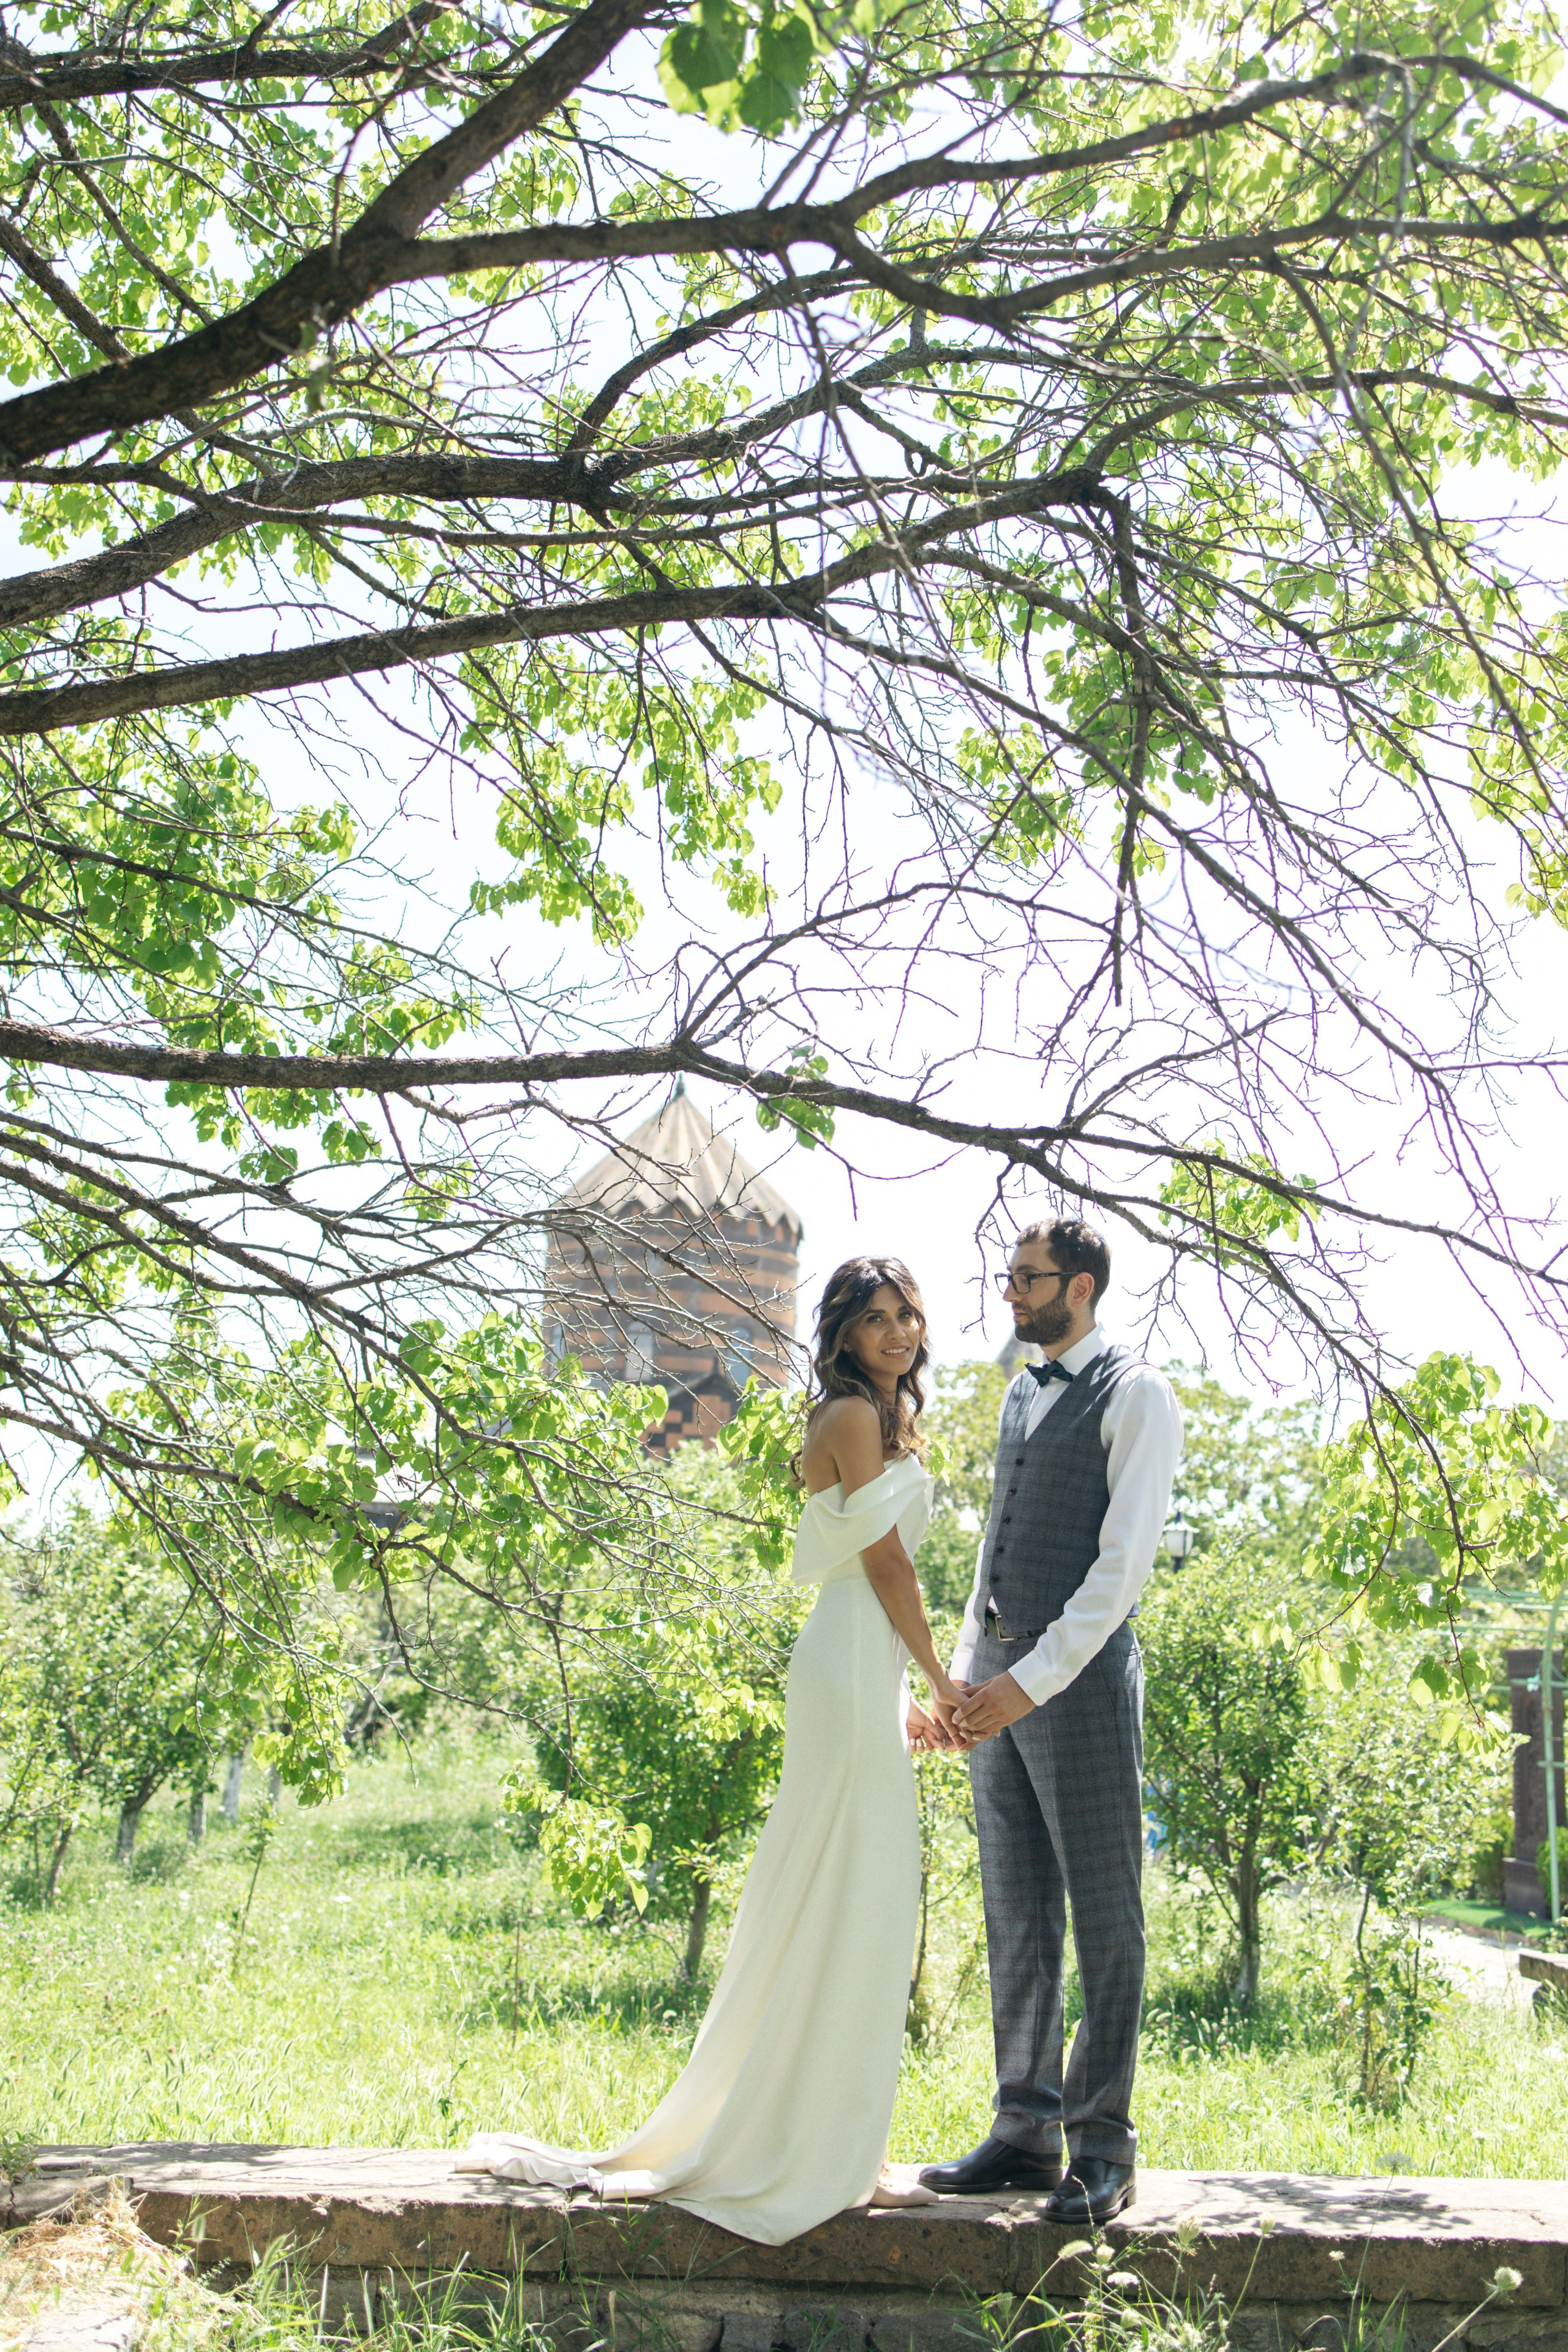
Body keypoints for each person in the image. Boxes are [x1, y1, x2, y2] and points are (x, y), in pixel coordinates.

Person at [459, 1257, 965, 2245]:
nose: (898, 1331)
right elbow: (888, 1563)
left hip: (860, 1670)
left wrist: (900, 1698)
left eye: (908, 1311)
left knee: (859, 1899)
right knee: (853, 1897)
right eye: (875, 1319)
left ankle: (846, 2144)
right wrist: (943, 1683)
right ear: (844, 1336)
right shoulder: (855, 1418)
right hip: (853, 1663)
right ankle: (822, 2152)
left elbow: (877, 1579)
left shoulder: (882, 1418)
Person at [919, 1219, 1182, 2224]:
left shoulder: (1139, 1394)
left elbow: (1121, 1571)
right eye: (1009, 1278)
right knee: (1016, 1909)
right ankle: (1024, 2130)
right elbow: (999, 1541)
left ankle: (1103, 2146)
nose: (1011, 1294)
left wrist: (1029, 1681)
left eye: (1026, 1280)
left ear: (1079, 1286)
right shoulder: (1022, 1390)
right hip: (995, 1677)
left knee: (1107, 1917)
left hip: (1073, 1684)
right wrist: (964, 1668)